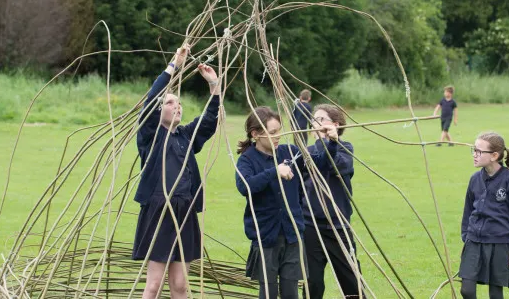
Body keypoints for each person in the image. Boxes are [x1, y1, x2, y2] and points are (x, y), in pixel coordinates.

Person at [131, 45, 223, 299]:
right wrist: (174, 66)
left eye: (179, 103)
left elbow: (208, 122)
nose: (177, 106)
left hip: (185, 210)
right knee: (154, 285)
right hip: (159, 210)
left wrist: (214, 86)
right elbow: (151, 100)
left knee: (181, 285)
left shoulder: (185, 136)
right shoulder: (151, 136)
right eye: (171, 103)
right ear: (159, 111)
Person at [235, 106, 339, 299]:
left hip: (292, 235)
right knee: (269, 293)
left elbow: (320, 164)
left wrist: (331, 142)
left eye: (280, 131)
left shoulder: (290, 152)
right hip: (266, 237)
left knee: (291, 293)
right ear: (255, 134)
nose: (278, 136)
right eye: (272, 132)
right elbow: (245, 186)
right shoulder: (247, 160)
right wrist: (276, 170)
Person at [302, 104, 363, 299]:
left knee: (353, 283)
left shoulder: (346, 149)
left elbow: (333, 165)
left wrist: (331, 141)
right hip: (311, 226)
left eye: (321, 119)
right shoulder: (307, 151)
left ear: (335, 125)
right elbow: (315, 165)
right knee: (312, 284)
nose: (315, 123)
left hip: (338, 226)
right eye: (314, 119)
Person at [459, 132, 509, 299]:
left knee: (495, 294)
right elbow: (468, 210)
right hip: (474, 241)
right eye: (473, 150)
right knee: (466, 290)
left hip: (499, 243)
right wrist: (466, 236)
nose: (474, 155)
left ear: (494, 156)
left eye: (479, 151)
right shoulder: (474, 179)